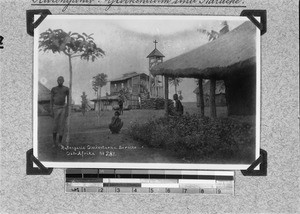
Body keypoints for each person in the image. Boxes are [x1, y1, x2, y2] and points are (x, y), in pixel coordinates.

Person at [50, 76, 69, 148]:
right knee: (55, 126)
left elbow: (68, 99)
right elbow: (51, 100)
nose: (60, 81)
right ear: (57, 81)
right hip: (55, 108)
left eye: (61, 80)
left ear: (63, 81)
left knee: (62, 126)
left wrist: (67, 109)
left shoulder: (66, 89)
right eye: (58, 80)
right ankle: (54, 143)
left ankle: (60, 143)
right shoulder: (54, 89)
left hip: (63, 108)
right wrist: (51, 110)